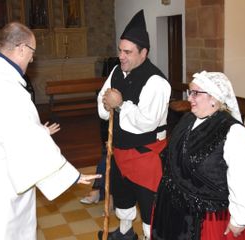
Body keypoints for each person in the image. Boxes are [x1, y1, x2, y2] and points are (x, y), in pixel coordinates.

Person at [0, 22, 100, 240]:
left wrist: (38, 132)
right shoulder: (4, 85)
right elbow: (24, 142)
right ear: (21, 48)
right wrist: (70, 175)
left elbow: (4, 130)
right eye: (32, 53)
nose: (32, 59)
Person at [151, 71, 245, 240]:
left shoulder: (235, 134)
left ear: (214, 98)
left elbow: (244, 180)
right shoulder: (187, 119)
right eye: (190, 92)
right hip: (172, 210)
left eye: (196, 93)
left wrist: (240, 220)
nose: (189, 98)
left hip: (206, 220)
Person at [97, 10, 171, 240]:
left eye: (127, 52)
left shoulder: (157, 82)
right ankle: (125, 233)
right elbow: (102, 103)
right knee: (123, 196)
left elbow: (146, 123)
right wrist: (106, 104)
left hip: (146, 156)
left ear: (144, 53)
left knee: (149, 205)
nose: (121, 56)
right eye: (120, 50)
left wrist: (119, 105)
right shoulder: (117, 71)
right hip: (120, 152)